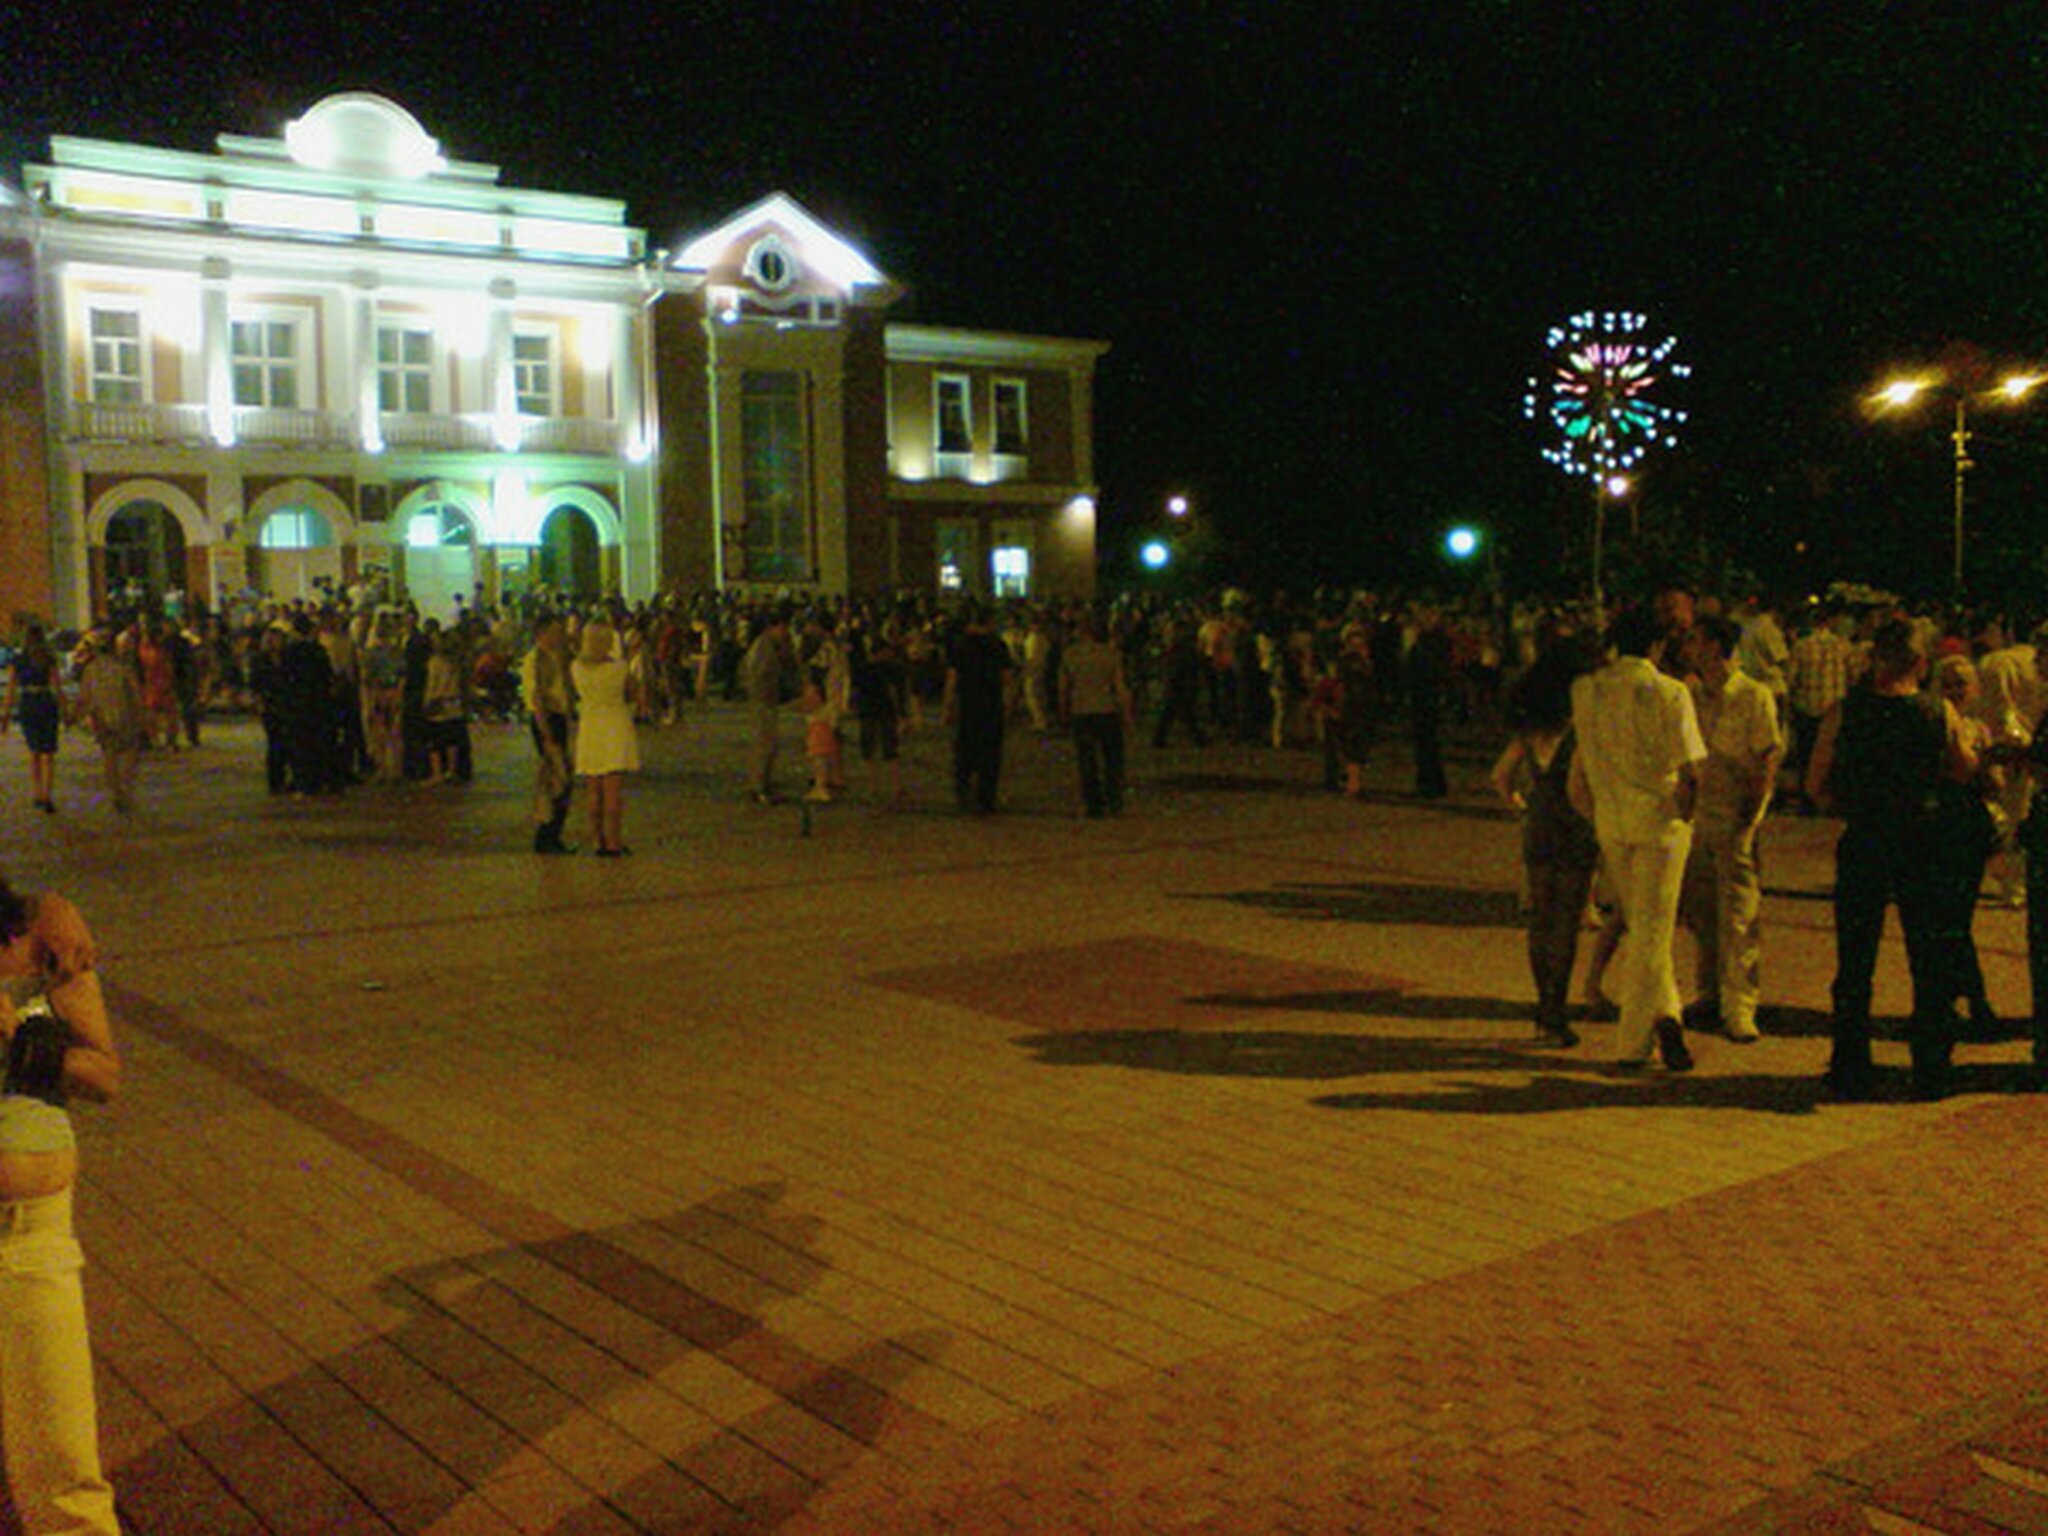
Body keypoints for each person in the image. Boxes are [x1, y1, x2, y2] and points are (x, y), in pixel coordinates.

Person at [0, 876, 125, 1534]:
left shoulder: (42, 942)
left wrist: (24, 1038)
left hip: (32, 1241)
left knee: (66, 1481)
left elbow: (104, 1075)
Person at [1807, 619, 1976, 1100]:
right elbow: (1964, 768)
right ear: (1920, 663)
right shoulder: (1937, 711)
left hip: (1866, 837)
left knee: (1856, 957)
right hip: (1923, 839)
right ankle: (1931, 1065)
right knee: (1927, 954)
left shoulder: (1846, 711)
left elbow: (1816, 782)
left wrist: (1845, 802)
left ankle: (1850, 1064)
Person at [1569, 606, 1707, 1071]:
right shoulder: (1670, 692)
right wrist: (1686, 815)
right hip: (1659, 821)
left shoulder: (1585, 690)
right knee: (1652, 931)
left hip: (1612, 819)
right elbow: (1691, 771)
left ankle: (1667, 1016)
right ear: (1657, 645)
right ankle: (1633, 1043)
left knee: (1643, 924)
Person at [1679, 615, 1784, 1042]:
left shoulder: (1753, 695)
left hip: (1734, 815)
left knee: (1739, 915)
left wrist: (1750, 815)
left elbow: (1766, 758)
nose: (1689, 648)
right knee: (1701, 912)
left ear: (1715, 647)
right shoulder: (1689, 694)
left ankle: (1740, 1005)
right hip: (1697, 815)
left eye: (1696, 640)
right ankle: (1708, 992)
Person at [1492, 643, 1600, 1046]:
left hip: (1538, 826)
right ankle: (1556, 1012)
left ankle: (1543, 1010)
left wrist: (1522, 805)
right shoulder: (1580, 729)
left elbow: (1500, 777)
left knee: (1540, 921)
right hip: (1574, 827)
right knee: (1565, 924)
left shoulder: (1531, 728)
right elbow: (1580, 788)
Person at [571, 619, 639, 856]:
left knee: (593, 789)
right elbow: (632, 692)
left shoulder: (576, 667)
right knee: (612, 791)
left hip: (590, 725)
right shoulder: (619, 668)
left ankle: (596, 838)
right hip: (614, 725)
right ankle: (613, 840)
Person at [1060, 609, 1134, 818]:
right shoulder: (1111, 654)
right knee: (1112, 759)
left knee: (1087, 760)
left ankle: (1093, 803)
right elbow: (1120, 687)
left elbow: (1063, 688)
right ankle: (1113, 799)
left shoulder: (1070, 655)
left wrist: (1063, 711)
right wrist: (1127, 714)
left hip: (1081, 710)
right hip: (1107, 710)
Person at [943, 603, 1015, 815]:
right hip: (991, 704)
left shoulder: (960, 645)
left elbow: (952, 678)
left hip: (967, 704)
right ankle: (986, 798)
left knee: (965, 752)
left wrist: (948, 706)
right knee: (990, 754)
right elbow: (1007, 678)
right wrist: (1009, 704)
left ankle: (964, 794)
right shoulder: (998, 645)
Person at [521, 616, 576, 854]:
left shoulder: (556, 656)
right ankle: (546, 835)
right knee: (557, 777)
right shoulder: (535, 659)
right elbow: (536, 697)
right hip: (547, 720)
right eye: (555, 632)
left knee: (559, 778)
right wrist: (546, 731)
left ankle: (552, 834)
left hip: (557, 718)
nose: (559, 636)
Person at [74, 631, 144, 818]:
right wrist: (141, 714)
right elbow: (136, 693)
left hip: (102, 718)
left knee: (109, 756)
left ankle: (116, 791)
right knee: (129, 754)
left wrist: (80, 713)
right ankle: (126, 789)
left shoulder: (90, 670)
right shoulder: (124, 668)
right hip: (125, 715)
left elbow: (84, 696)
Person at [741, 608, 800, 804]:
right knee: (764, 744)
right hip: (763, 701)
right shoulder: (763, 648)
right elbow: (760, 675)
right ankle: (760, 787)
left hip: (765, 700)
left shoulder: (767, 645)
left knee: (768, 743)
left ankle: (763, 782)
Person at [3, 625, 63, 813]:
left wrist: (5, 714)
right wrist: (65, 708)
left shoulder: (19, 660)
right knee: (48, 752)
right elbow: (57, 685)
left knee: (34, 751)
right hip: (46, 702)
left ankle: (37, 792)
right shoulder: (48, 658)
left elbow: (11, 689)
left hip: (28, 703)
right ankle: (47, 793)